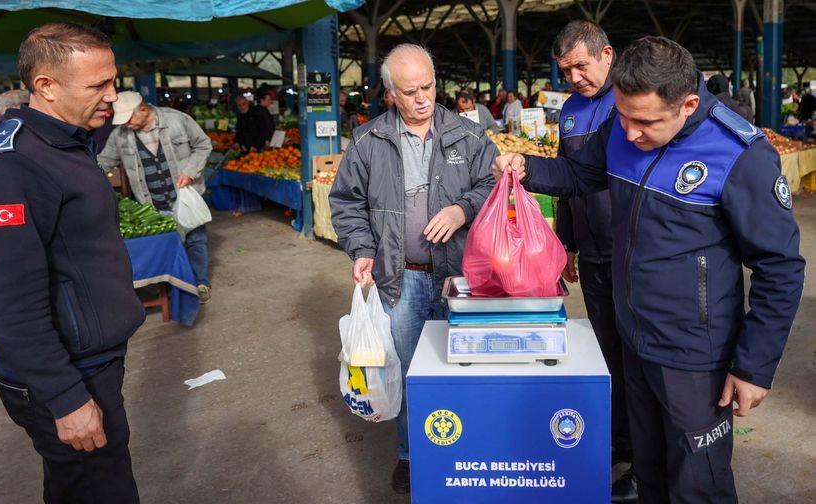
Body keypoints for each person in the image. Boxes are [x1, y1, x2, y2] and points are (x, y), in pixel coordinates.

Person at [493, 36, 805, 504]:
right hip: (633, 337)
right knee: (650, 471)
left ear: (689, 104)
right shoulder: (621, 126)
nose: (630, 133)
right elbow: (580, 174)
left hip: (694, 355)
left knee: (698, 483)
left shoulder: (739, 154)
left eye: (645, 122)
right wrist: (526, 168)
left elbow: (780, 266)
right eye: (623, 115)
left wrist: (755, 366)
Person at [0, 23, 145, 503]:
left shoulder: (68, 139)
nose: (113, 95)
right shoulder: (11, 162)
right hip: (67, 372)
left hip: (92, 358)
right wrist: (65, 397)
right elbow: (8, 303)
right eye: (98, 85)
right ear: (46, 86)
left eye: (113, 80)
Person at [329, 43, 497, 495]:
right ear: (390, 94)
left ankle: (462, 446)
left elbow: (493, 184)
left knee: (460, 365)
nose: (423, 97)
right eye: (410, 91)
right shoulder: (368, 141)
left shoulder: (469, 135)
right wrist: (362, 249)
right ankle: (410, 453)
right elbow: (346, 204)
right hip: (399, 277)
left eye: (428, 86)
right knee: (406, 369)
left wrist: (463, 209)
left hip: (457, 275)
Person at [551, 20, 637, 503]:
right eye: (567, 71)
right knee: (608, 353)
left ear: (607, 52)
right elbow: (568, 181)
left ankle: (645, 456)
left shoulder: (630, 97)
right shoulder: (569, 111)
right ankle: (618, 439)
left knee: (639, 357)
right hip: (593, 251)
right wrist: (566, 242)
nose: (576, 78)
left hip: (633, 250)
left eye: (582, 66)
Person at [98, 91, 214, 302]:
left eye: (129, 118)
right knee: (169, 245)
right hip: (152, 202)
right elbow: (104, 161)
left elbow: (204, 145)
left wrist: (189, 171)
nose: (126, 124)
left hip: (185, 197)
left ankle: (201, 283)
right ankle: (177, 289)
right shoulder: (120, 135)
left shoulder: (177, 120)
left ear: (143, 110)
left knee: (196, 240)